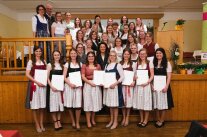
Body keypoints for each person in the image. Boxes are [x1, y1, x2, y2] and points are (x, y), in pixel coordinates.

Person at [25, 46, 47, 133]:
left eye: (40, 51)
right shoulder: (31, 61)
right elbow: (27, 74)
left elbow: (45, 73)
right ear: (34, 52)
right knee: (35, 106)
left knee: (41, 106)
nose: (38, 53)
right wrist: (36, 81)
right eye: (37, 51)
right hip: (34, 85)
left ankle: (41, 123)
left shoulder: (44, 61)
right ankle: (37, 124)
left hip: (42, 86)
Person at [152, 48, 174, 128]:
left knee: (163, 104)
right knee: (157, 103)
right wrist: (152, 85)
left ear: (163, 54)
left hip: (164, 87)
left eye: (160, 53)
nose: (158, 55)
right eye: (157, 53)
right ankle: (158, 119)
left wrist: (166, 87)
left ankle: (162, 120)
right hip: (155, 87)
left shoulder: (167, 63)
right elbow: (151, 76)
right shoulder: (153, 63)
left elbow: (169, 77)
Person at [133, 48, 154, 128]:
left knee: (146, 103)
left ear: (146, 54)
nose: (142, 55)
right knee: (140, 103)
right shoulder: (136, 63)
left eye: (143, 54)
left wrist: (147, 82)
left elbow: (152, 75)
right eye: (141, 54)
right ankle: (141, 119)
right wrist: (134, 78)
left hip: (146, 86)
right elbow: (134, 75)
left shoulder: (150, 63)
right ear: (139, 54)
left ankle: (145, 120)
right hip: (138, 86)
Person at [81, 51, 102, 128]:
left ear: (94, 57)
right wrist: (90, 83)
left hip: (96, 86)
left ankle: (93, 119)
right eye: (89, 56)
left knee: (94, 103)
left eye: (92, 56)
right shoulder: (84, 65)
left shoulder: (98, 66)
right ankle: (88, 121)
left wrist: (100, 83)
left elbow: (101, 76)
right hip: (88, 85)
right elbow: (83, 77)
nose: (91, 58)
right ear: (87, 57)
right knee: (88, 103)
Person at [104, 50, 124, 129]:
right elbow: (104, 76)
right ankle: (111, 120)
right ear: (109, 56)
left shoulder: (118, 65)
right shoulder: (107, 65)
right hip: (108, 88)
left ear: (116, 57)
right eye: (111, 55)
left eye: (113, 55)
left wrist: (115, 84)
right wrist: (103, 83)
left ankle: (115, 122)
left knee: (115, 106)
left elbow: (122, 77)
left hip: (115, 88)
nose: (112, 57)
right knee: (110, 106)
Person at [63, 48, 82, 130]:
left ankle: (77, 122)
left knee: (78, 105)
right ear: (69, 55)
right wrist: (70, 84)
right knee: (70, 105)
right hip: (69, 85)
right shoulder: (67, 64)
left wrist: (79, 83)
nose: (73, 55)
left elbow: (81, 76)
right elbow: (63, 77)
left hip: (78, 86)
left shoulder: (80, 64)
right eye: (72, 53)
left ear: (76, 54)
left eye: (74, 53)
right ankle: (73, 121)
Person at [47, 50, 64, 130]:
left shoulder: (62, 65)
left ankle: (59, 121)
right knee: (54, 105)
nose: (57, 56)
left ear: (60, 56)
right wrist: (51, 86)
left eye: (58, 55)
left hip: (60, 88)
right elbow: (46, 78)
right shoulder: (50, 65)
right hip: (53, 88)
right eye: (55, 55)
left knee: (60, 105)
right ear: (53, 56)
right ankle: (55, 122)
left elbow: (63, 77)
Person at [120, 48, 136, 127]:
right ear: (123, 55)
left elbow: (135, 75)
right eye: (125, 54)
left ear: (130, 55)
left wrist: (134, 82)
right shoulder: (120, 63)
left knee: (128, 102)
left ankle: (127, 117)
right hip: (122, 85)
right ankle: (123, 117)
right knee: (123, 102)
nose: (126, 55)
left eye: (128, 54)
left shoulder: (133, 64)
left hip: (129, 86)